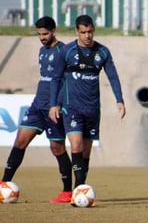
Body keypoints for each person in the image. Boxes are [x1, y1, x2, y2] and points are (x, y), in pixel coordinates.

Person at [49, 14, 126, 192]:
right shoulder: (67, 51)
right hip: (72, 107)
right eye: (83, 32)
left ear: (94, 30)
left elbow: (113, 76)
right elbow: (56, 79)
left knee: (85, 151)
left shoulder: (103, 52)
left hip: (92, 109)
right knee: (75, 144)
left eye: (90, 31)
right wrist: (54, 104)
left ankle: (80, 187)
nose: (87, 36)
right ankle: (78, 189)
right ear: (77, 31)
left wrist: (119, 100)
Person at [1, 16, 73, 203]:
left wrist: (57, 104)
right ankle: (4, 183)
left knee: (56, 147)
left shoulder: (63, 51)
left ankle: (67, 192)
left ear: (53, 31)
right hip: (36, 107)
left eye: (45, 33)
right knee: (20, 140)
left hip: (53, 108)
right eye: (39, 34)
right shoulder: (42, 51)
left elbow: (66, 82)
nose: (42, 37)